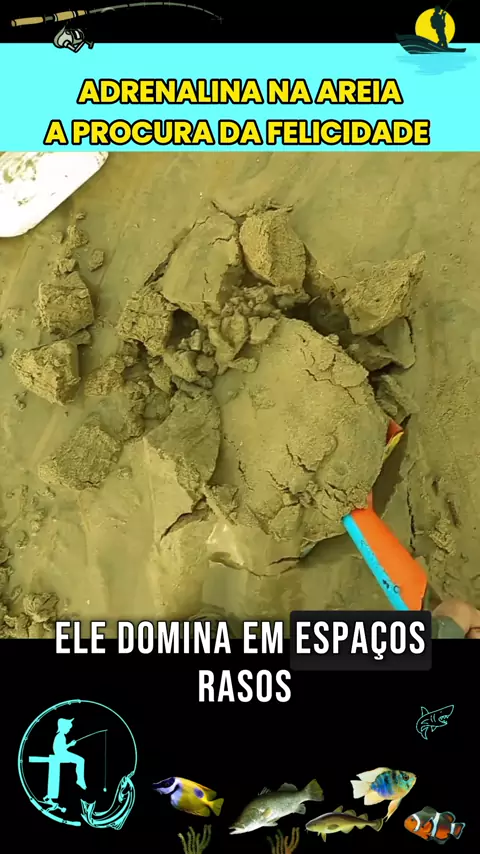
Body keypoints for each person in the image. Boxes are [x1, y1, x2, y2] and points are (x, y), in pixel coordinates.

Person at [53, 717, 87, 789]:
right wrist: (70, 744)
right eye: (68, 728)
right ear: (63, 727)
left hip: (63, 753)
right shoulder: (60, 736)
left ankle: (80, 780)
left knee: (80, 760)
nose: (69, 730)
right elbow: (60, 749)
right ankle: (80, 780)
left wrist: (69, 745)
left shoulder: (61, 736)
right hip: (61, 755)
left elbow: (61, 747)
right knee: (81, 760)